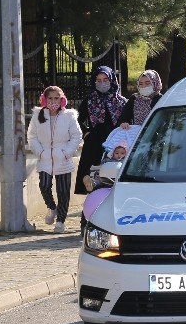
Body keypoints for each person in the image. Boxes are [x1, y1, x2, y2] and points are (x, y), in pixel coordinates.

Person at [27, 86, 83, 233]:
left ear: (62, 99)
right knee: (44, 186)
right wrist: (40, 152)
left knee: (63, 191)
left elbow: (77, 136)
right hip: (45, 157)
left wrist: (67, 152)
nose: (53, 101)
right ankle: (52, 207)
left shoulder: (69, 116)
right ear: (45, 99)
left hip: (62, 158)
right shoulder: (38, 115)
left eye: (56, 98)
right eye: (50, 98)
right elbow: (31, 136)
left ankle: (61, 221)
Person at [76, 66, 127, 194]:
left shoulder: (121, 102)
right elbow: (76, 119)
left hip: (115, 146)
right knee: (93, 178)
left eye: (105, 79)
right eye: (98, 80)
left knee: (114, 177)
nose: (102, 83)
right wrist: (86, 133)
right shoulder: (89, 101)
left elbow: (128, 122)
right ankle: (90, 209)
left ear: (112, 80)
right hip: (94, 145)